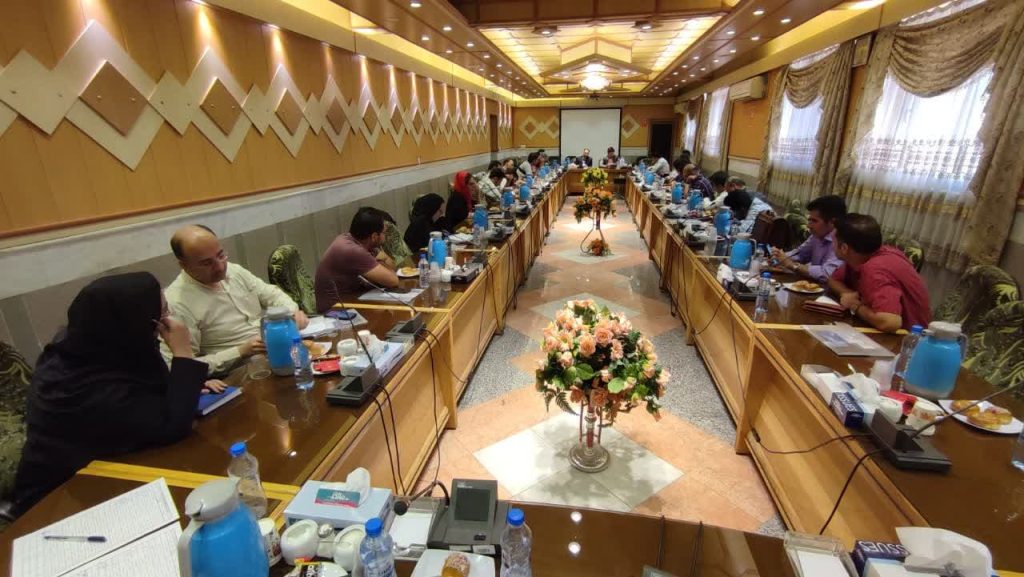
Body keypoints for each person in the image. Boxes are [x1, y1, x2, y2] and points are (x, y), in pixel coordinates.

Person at [11, 273, 214, 515]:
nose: (167, 322)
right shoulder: (80, 387)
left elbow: (154, 394)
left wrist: (184, 385)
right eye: (160, 316)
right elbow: (172, 427)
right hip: (58, 501)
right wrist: (183, 353)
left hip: (119, 471)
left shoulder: (105, 343)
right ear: (133, 321)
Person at [164, 225, 307, 376]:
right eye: (207, 263)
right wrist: (240, 351)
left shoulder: (234, 271)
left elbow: (273, 295)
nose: (220, 267)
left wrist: (291, 313)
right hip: (238, 373)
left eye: (221, 255)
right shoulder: (177, 303)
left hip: (276, 351)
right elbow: (182, 368)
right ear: (184, 265)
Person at [828, 214, 931, 332]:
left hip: (908, 338)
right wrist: (848, 294)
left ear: (844, 248)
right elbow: (834, 280)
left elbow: (890, 322)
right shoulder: (863, 256)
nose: (832, 246)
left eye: (833, 242)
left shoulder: (875, 269)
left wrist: (854, 306)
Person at [315, 208, 400, 311]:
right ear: (374, 236)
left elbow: (393, 266)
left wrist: (381, 261)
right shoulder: (352, 250)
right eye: (384, 233)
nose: (385, 236)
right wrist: (381, 261)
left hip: (353, 300)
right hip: (336, 311)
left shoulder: (358, 241)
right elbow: (393, 281)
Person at [770, 195, 846, 284]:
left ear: (832, 222)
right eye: (809, 220)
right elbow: (800, 254)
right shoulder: (817, 235)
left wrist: (793, 265)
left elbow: (827, 274)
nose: (808, 225)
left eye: (814, 221)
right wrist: (780, 256)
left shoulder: (842, 241)